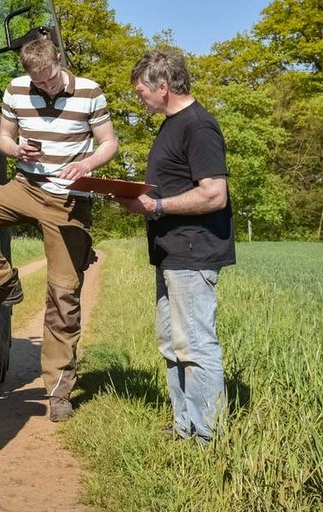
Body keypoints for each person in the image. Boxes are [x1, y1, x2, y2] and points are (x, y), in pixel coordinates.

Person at [0, 35, 118, 422]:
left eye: (50, 77)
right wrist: (17, 150)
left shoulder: (89, 92)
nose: (46, 85)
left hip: (69, 199)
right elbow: (3, 138)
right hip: (25, 187)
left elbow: (109, 143)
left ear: (59, 60)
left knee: (63, 295)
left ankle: (59, 390)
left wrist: (87, 165)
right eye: (38, 81)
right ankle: (2, 281)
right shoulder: (17, 90)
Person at [119, 47, 234, 444]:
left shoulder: (198, 127)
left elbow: (214, 194)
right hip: (170, 253)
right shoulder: (171, 124)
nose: (139, 98)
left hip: (193, 252)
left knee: (196, 345)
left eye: (141, 92)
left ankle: (209, 436)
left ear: (163, 87)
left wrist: (157, 206)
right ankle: (185, 426)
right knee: (173, 343)